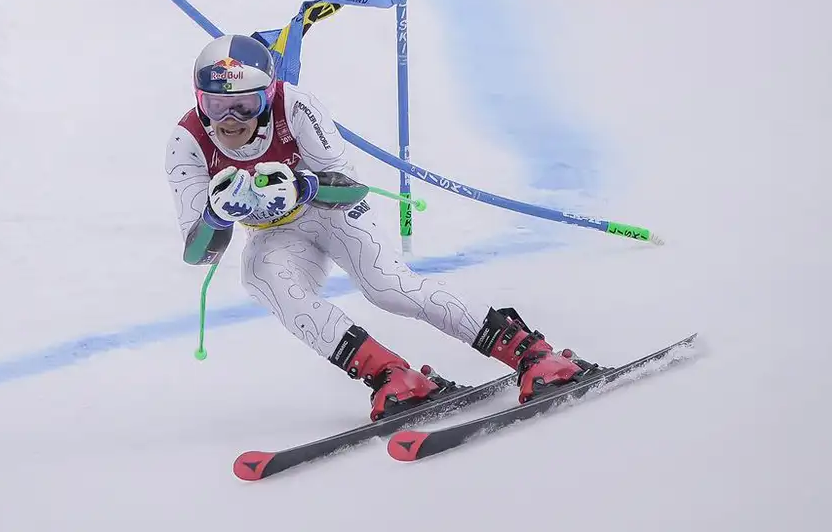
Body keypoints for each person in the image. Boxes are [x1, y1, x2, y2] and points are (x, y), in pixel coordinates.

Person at [164, 34, 591, 422]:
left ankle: (530, 351)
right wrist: (216, 215)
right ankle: (390, 375)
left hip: (329, 212)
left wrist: (301, 187)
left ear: (269, 95)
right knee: (264, 279)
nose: (230, 119)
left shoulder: (294, 107)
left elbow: (350, 188)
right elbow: (199, 253)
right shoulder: (187, 142)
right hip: (275, 234)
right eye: (216, 106)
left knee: (389, 288)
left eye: (246, 105)